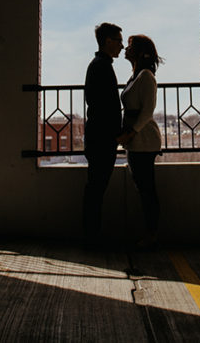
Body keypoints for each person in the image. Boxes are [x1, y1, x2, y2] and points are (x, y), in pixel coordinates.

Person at [116, 34, 162, 247]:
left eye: (131, 46)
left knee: (146, 188)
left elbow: (147, 112)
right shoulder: (136, 76)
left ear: (141, 52)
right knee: (142, 187)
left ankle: (152, 235)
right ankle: (150, 233)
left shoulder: (146, 76)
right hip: (136, 140)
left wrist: (130, 133)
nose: (126, 48)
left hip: (144, 139)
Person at [82, 22, 123, 241]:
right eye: (118, 41)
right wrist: (115, 133)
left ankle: (92, 235)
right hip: (102, 138)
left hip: (99, 136)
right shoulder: (101, 66)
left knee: (95, 189)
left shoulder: (99, 64)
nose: (122, 46)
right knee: (96, 189)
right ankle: (92, 237)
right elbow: (103, 105)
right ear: (108, 41)